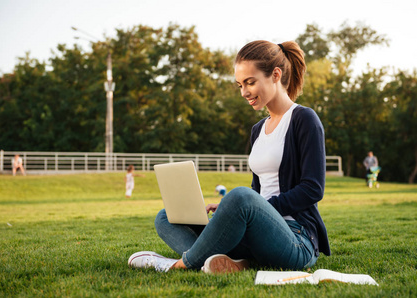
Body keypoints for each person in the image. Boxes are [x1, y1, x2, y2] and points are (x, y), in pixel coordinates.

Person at [128, 40, 330, 273]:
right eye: (240, 85)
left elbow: (313, 189)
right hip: (257, 235)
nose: (244, 92)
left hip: (296, 240)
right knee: (167, 217)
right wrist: (230, 210)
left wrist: (255, 206)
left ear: (275, 75)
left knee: (241, 196)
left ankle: (181, 264)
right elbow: (258, 191)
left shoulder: (303, 119)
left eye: (250, 82)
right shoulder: (258, 129)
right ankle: (229, 262)